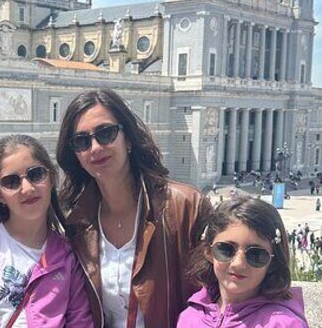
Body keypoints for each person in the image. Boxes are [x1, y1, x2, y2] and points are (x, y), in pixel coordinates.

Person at [56, 88, 212, 326]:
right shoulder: (76, 223)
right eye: (82, 141)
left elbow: (217, 297)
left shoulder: (185, 206)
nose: (95, 147)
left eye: (105, 133)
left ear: (128, 138)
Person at [0, 134, 93, 327]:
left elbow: (80, 322)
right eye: (11, 182)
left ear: (51, 178)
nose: (27, 188)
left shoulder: (68, 256)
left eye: (36, 174)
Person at [177, 196, 309, 327]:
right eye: (226, 249)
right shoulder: (190, 318)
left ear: (273, 262)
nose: (238, 264)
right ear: (208, 252)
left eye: (255, 254)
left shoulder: (284, 324)